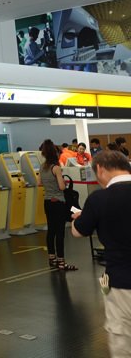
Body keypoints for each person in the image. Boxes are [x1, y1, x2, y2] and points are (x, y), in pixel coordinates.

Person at [72, 150, 131, 356]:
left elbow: (79, 231)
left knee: (122, 335)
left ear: (100, 169)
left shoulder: (99, 199)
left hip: (121, 282)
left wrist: (80, 217)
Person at [38, 139, 76, 271]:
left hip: (47, 202)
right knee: (60, 232)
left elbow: (39, 183)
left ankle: (52, 259)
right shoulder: (56, 168)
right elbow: (61, 186)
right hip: (58, 202)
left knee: (51, 231)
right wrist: (63, 182)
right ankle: (61, 262)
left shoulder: (42, 167)